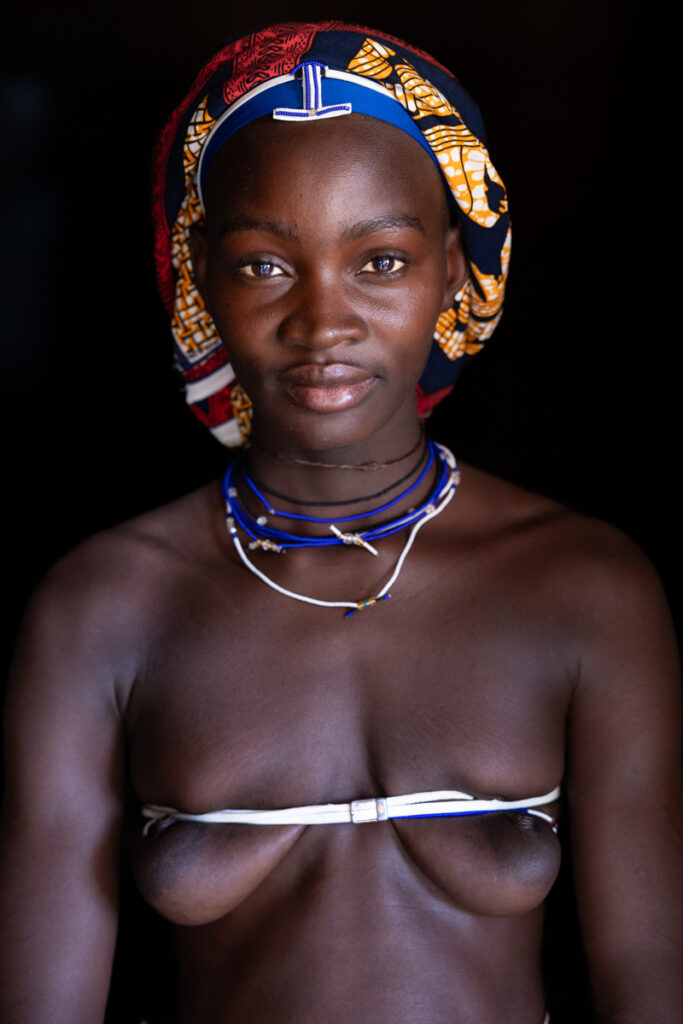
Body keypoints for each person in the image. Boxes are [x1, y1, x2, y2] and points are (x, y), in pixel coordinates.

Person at [0, 21, 681, 1024]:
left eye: (380, 261)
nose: (323, 322)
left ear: (452, 268)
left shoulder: (581, 589)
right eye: (265, 265)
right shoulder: (104, 609)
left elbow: (646, 986)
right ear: (199, 275)